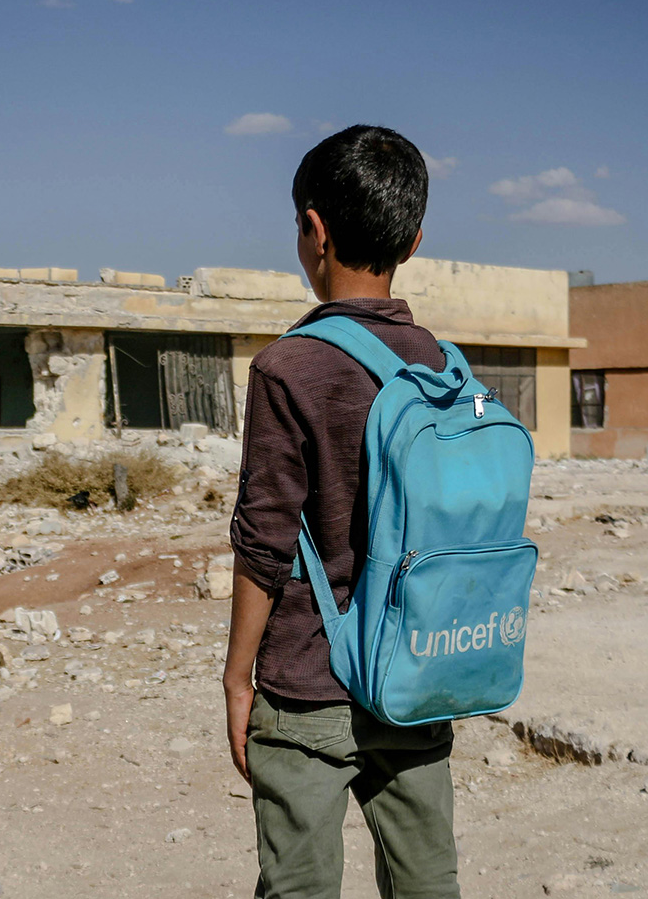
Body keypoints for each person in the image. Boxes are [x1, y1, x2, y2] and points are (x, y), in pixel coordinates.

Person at [223, 125, 462, 899]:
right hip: (419, 673)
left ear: (314, 230)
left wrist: (237, 677)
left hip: (308, 681)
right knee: (427, 883)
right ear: (415, 239)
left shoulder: (287, 366)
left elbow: (264, 539)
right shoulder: (442, 367)